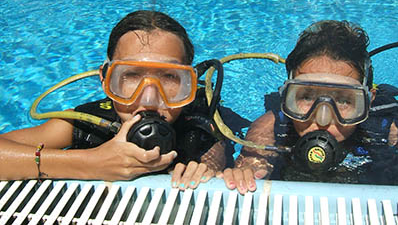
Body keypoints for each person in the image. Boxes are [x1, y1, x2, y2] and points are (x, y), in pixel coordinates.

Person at [0, 10, 243, 190]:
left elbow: (222, 157)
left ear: (188, 84)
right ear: (106, 80)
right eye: (131, 75)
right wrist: (89, 163)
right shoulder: (89, 123)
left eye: (170, 77)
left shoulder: (200, 123)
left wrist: (210, 171)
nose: (149, 100)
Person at [222, 20, 398, 201]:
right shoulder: (271, 128)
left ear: (368, 102)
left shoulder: (389, 130)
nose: (322, 119)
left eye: (343, 101)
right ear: (287, 97)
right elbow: (249, 169)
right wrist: (242, 175)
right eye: (306, 96)